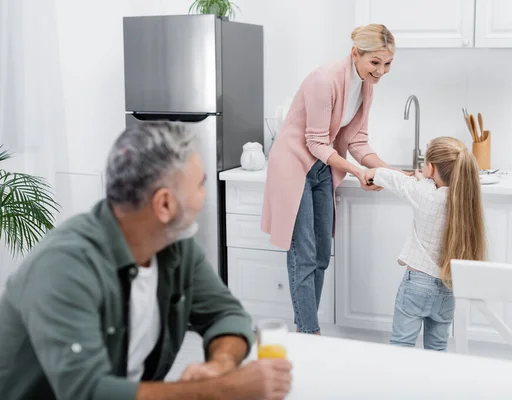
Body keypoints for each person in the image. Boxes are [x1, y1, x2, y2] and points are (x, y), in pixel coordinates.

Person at [0, 121, 292, 400]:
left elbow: (225, 314)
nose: (204, 196)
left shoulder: (174, 247)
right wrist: (223, 391)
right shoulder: (63, 268)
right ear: (164, 204)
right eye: (201, 185)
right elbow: (88, 393)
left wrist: (220, 366)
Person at [262, 24, 396, 335]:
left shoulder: (365, 87)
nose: (381, 71)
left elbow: (358, 141)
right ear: (355, 54)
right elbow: (316, 143)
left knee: (322, 253)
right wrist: (358, 172)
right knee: (304, 253)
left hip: (322, 169)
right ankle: (309, 332)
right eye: (375, 63)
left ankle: (306, 329)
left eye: (387, 63)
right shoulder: (323, 79)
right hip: (294, 167)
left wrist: (390, 173)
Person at [365, 136, 486, 351]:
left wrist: (373, 173)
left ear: (430, 169)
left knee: (401, 345)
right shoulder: (466, 199)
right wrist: (425, 179)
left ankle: (401, 385)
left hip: (417, 285)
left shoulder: (423, 193)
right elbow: (427, 184)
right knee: (437, 348)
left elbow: (398, 181)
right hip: (449, 288)